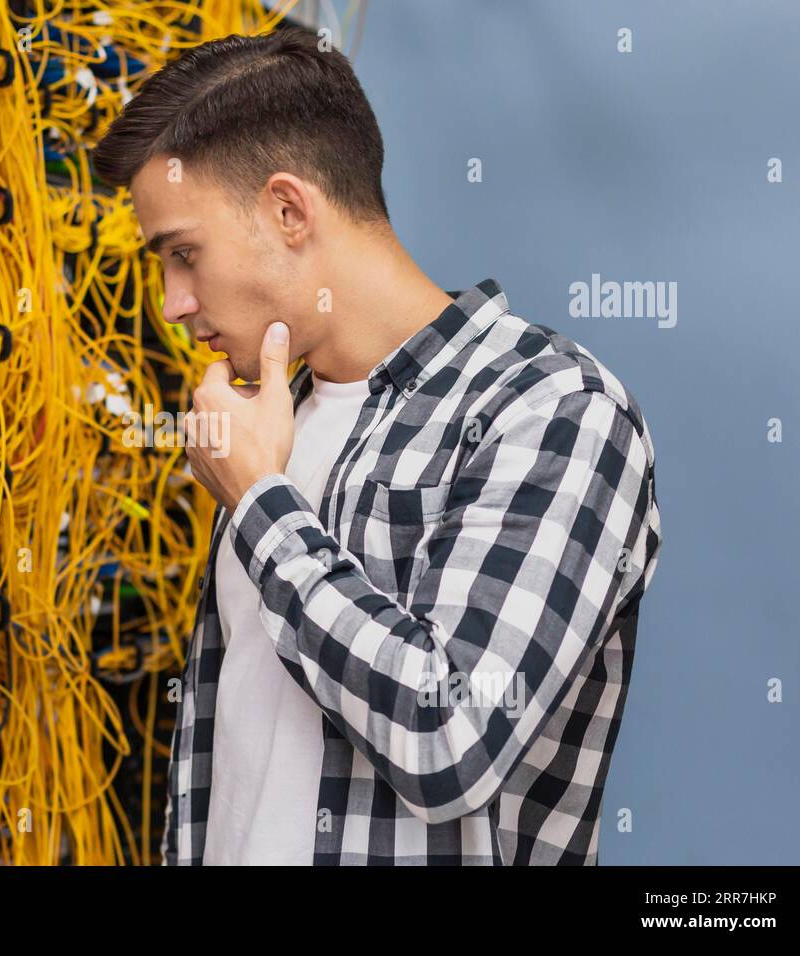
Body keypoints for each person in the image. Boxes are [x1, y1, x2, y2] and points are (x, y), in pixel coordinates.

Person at [92, 27, 662, 865]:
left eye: (184, 254)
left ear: (289, 211)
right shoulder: (276, 421)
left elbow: (450, 739)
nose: (172, 303)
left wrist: (261, 505)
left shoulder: (553, 410)